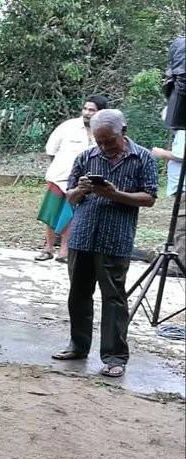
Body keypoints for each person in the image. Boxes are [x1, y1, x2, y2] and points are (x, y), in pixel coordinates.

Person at [52, 109, 158, 378]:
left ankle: (115, 357)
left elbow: (149, 198)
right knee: (78, 294)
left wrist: (115, 194)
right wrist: (82, 189)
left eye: (108, 141)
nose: (103, 147)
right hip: (82, 236)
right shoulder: (86, 157)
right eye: (99, 142)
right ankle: (77, 345)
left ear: (123, 130)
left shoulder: (142, 158)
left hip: (116, 239)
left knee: (113, 299)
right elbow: (70, 197)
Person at [35, 95, 108, 262]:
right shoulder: (68, 127)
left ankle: (64, 251)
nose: (87, 113)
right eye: (85, 109)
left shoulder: (103, 131)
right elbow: (51, 150)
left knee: (72, 215)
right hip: (59, 177)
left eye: (92, 110)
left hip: (82, 183)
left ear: (100, 113)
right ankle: (48, 248)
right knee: (51, 214)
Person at [151, 112, 185, 277]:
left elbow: (181, 155)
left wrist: (162, 153)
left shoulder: (183, 131)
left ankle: (179, 266)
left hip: (185, 187)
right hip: (181, 187)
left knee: (182, 227)